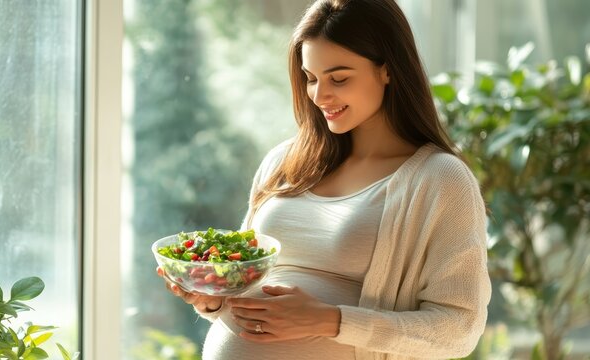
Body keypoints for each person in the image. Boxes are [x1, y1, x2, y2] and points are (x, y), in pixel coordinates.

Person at [157, 0, 491, 358]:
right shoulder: (284, 162)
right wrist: (213, 298)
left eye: (339, 78)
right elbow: (251, 295)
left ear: (388, 70)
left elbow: (459, 329)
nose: (319, 95)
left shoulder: (440, 180)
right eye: (311, 78)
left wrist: (329, 321)